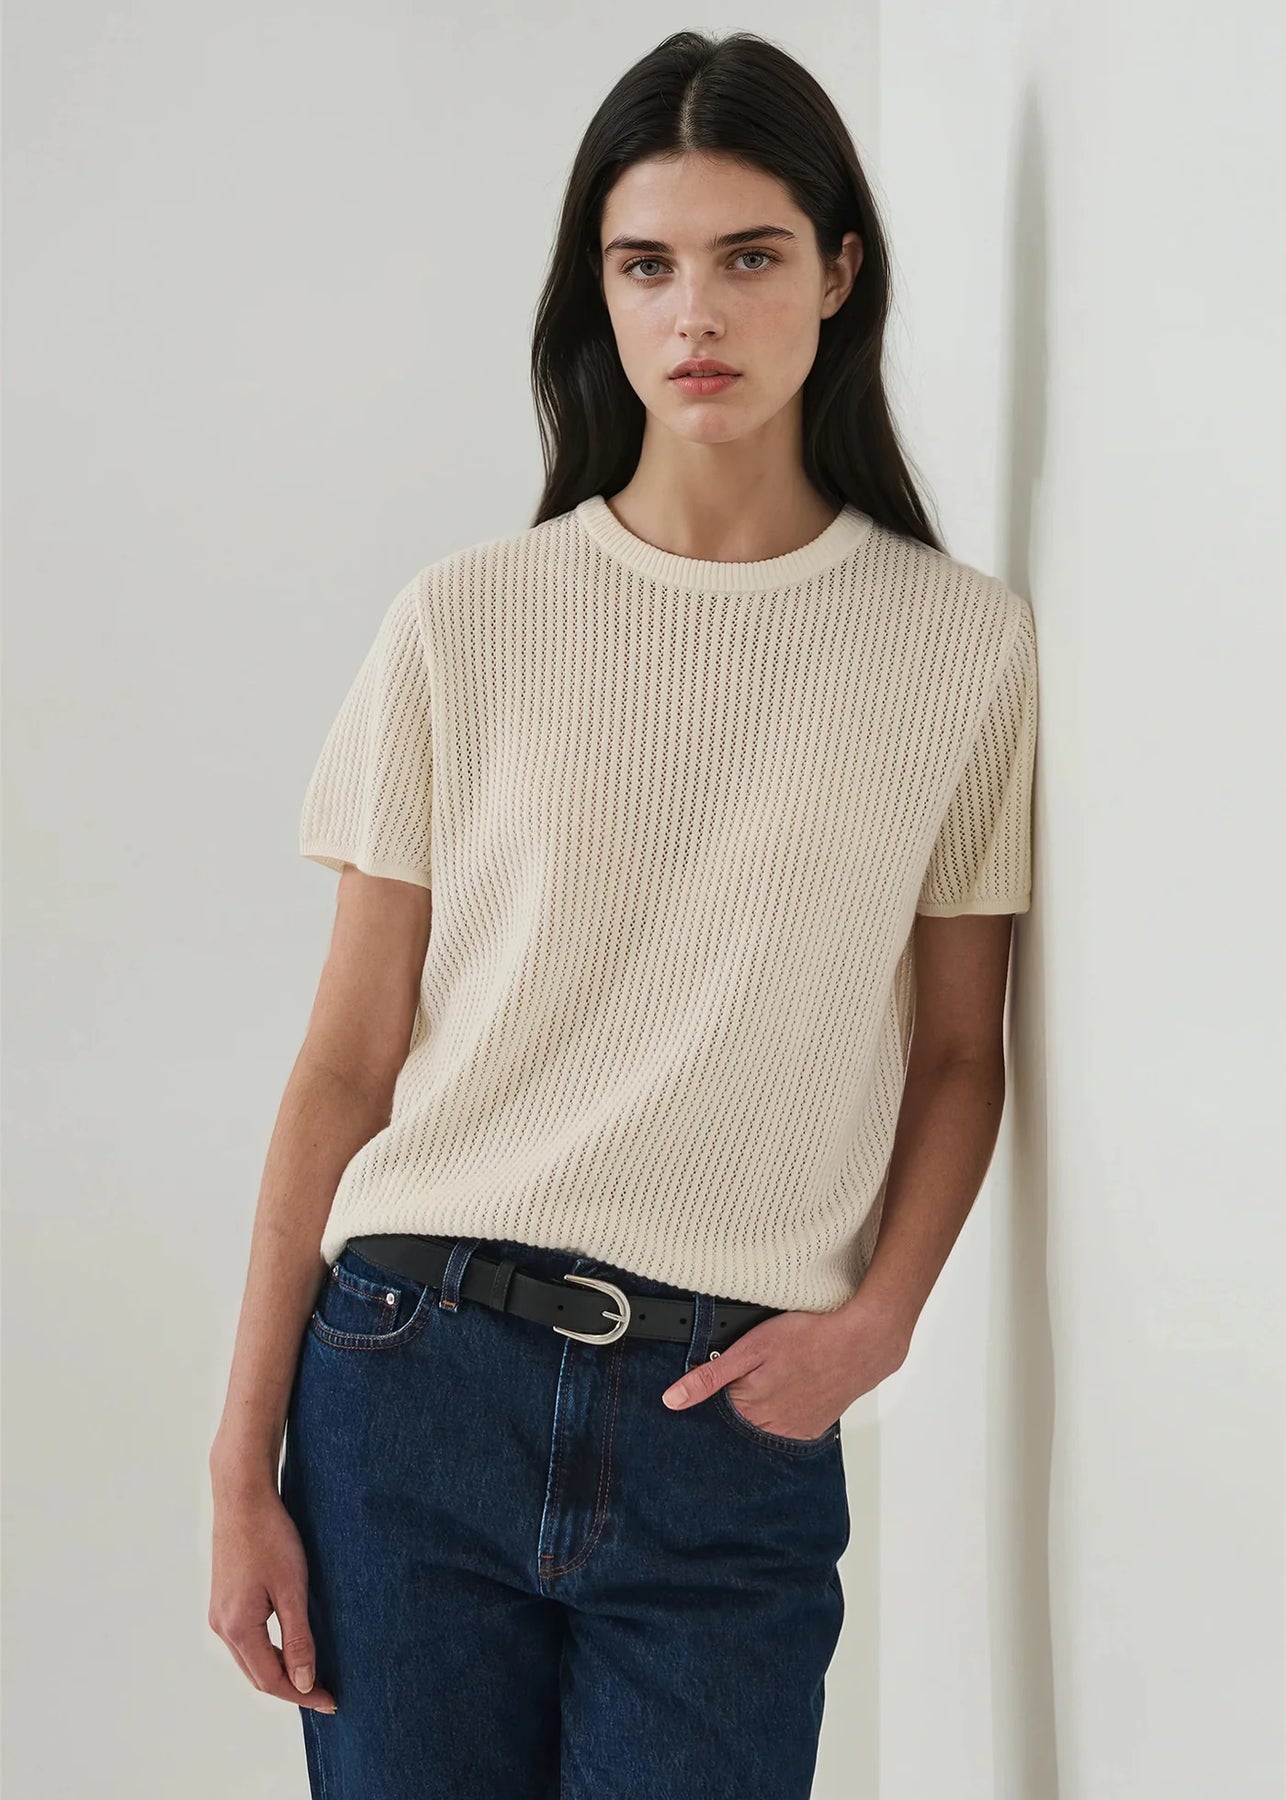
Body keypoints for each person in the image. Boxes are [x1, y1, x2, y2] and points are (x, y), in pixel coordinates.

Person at [208, 26, 1038, 1800]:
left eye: (748, 257)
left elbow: (960, 1050)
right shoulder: (464, 623)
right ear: (596, 291)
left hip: (728, 1424)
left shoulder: (958, 648)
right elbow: (347, 1063)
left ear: (839, 271)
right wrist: (237, 1469)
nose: (695, 315)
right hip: (409, 1385)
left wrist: (876, 1324)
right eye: (644, 265)